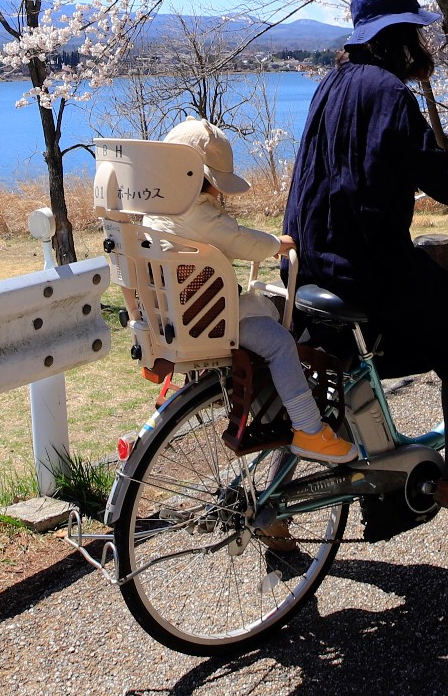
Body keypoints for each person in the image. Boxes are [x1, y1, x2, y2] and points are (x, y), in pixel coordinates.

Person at [283, 0, 448, 510]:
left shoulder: (332, 85)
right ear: (400, 40)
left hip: (307, 259)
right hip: (361, 264)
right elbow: (440, 178)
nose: (422, 48)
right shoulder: (389, 92)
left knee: (379, 346)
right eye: (415, 37)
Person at [143, 118, 356, 465]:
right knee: (279, 342)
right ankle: (309, 429)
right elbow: (238, 239)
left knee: (264, 307)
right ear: (196, 178)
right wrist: (276, 244)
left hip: (175, 310)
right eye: (214, 184)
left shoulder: (156, 207)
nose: (218, 192)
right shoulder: (198, 213)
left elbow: (229, 232)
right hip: (209, 316)